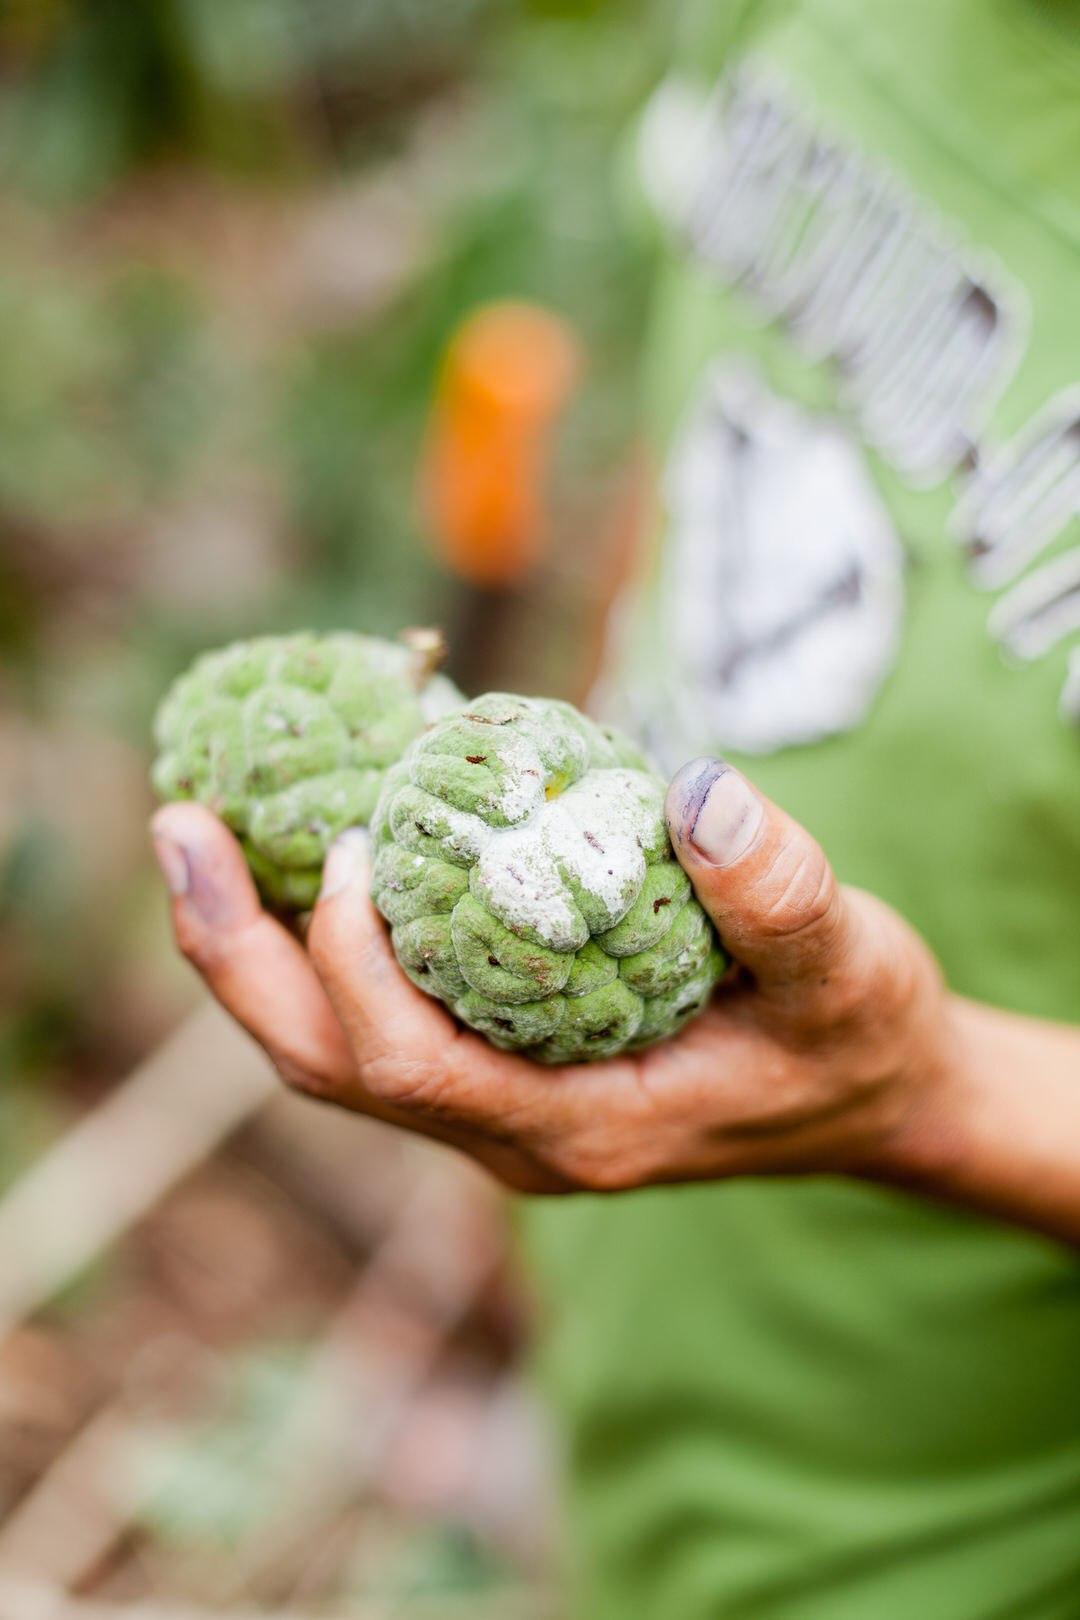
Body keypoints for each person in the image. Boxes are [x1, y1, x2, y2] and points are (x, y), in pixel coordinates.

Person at [151, 1, 1080, 1614]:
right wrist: (501, 1186)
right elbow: (707, 438)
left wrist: (922, 1098)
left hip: (937, 1538)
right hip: (625, 1381)